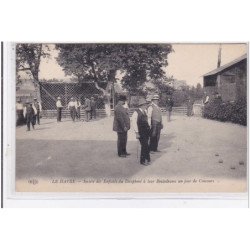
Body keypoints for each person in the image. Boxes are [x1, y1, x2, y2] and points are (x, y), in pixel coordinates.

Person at [132, 98, 151, 165]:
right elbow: (134, 123)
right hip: (141, 132)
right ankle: (143, 161)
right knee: (144, 145)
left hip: (146, 131)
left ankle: (147, 159)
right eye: (145, 105)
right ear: (142, 105)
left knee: (146, 145)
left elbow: (147, 121)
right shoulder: (136, 112)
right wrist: (137, 133)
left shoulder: (145, 111)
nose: (146, 106)